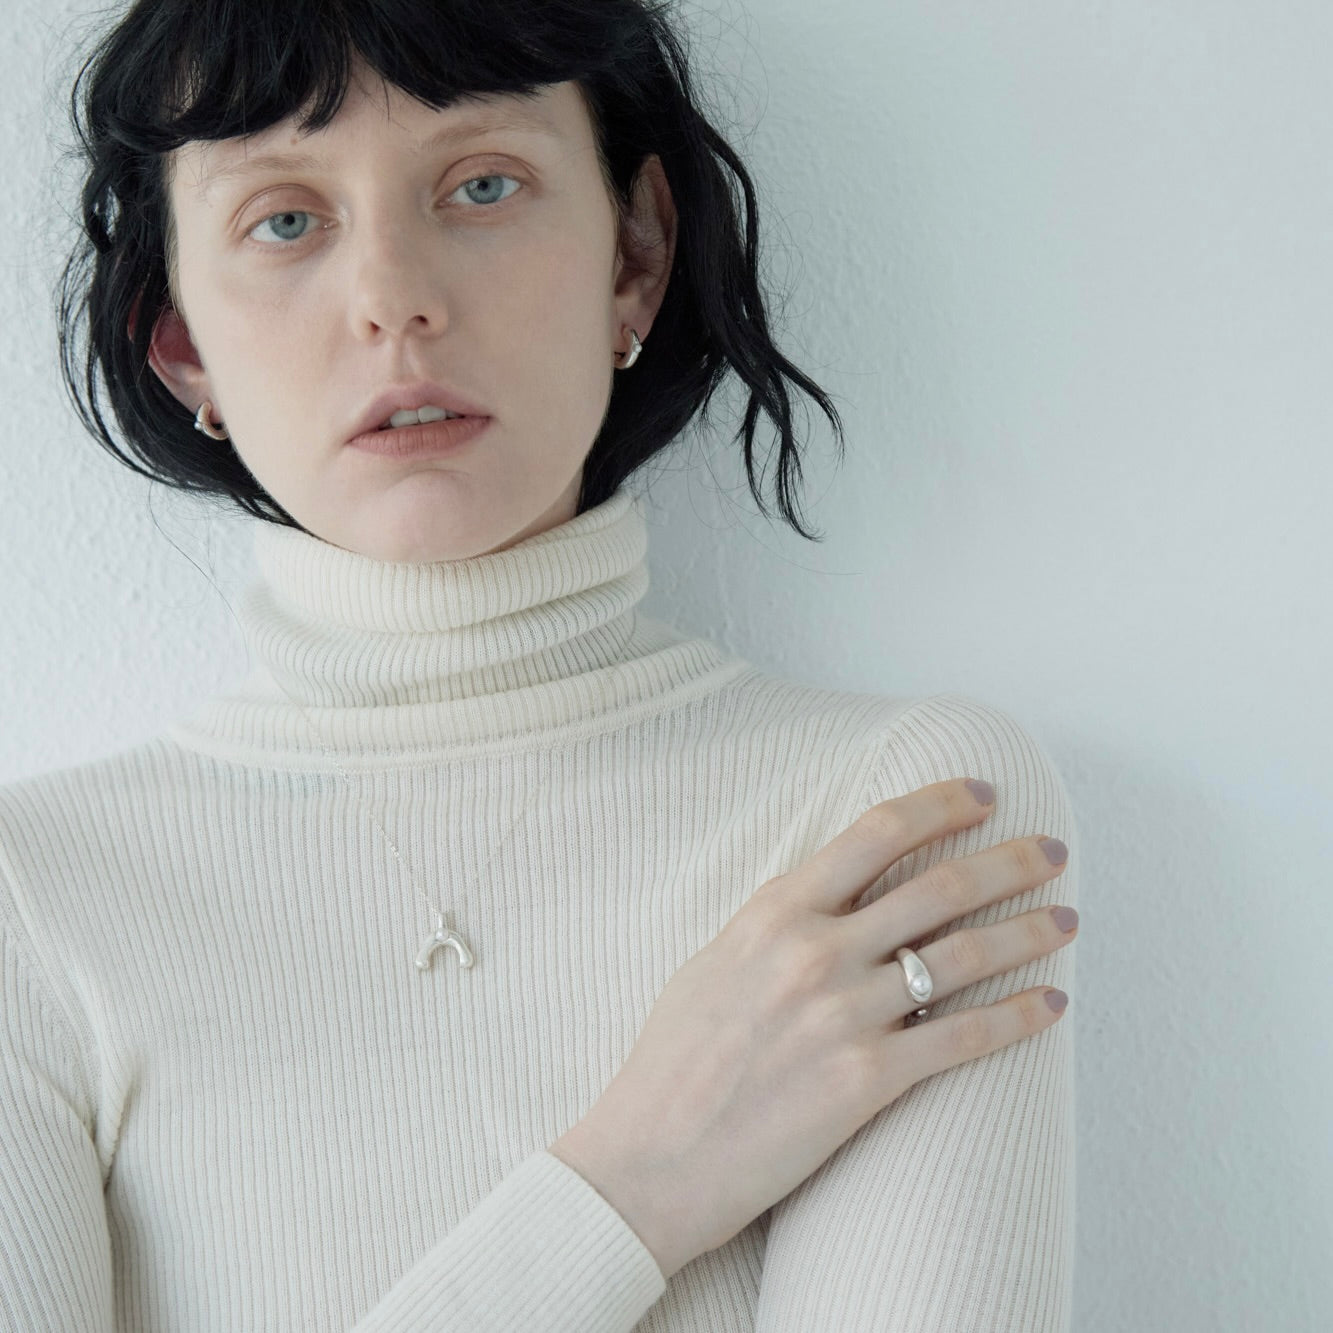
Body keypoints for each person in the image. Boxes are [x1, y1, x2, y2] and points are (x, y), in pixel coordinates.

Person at [0, 2, 1080, 1330]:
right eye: (283, 219)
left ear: (634, 255)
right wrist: (639, 1179)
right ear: (178, 341)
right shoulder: (28, 903)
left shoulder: (895, 817)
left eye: (483, 185)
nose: (393, 299)